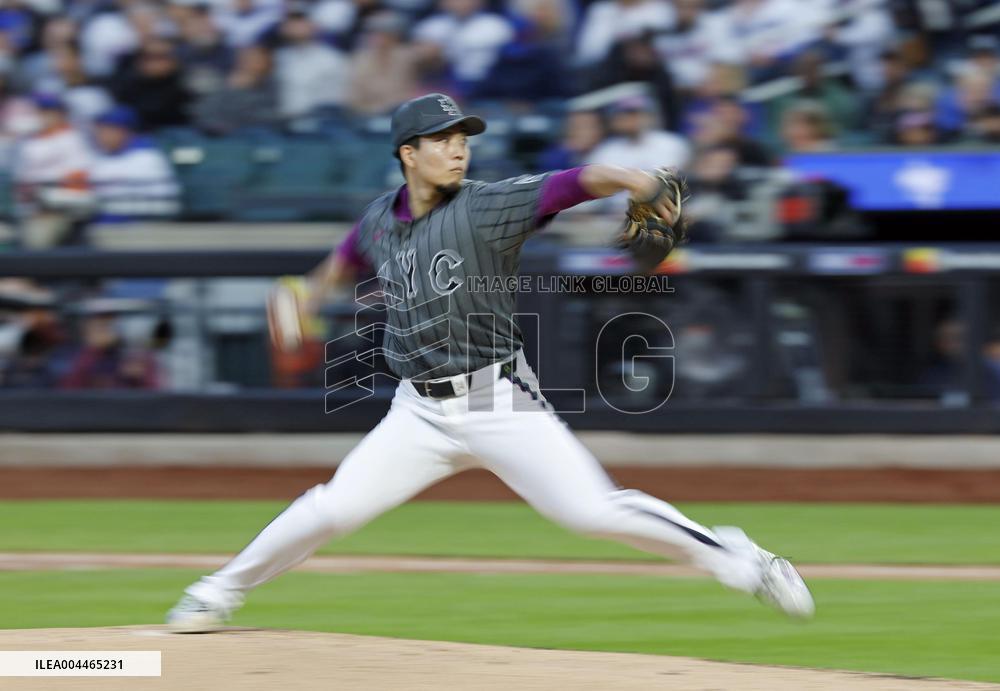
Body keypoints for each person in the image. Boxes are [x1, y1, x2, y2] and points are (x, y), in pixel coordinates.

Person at [166, 92, 814, 632]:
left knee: (591, 511)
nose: (458, 148)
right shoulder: (378, 221)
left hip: (497, 400)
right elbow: (341, 261)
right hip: (417, 412)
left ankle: (740, 557)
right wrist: (306, 293)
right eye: (442, 138)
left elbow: (572, 183)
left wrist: (636, 179)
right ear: (407, 153)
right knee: (332, 507)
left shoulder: (485, 206)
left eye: (463, 138)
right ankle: (216, 592)